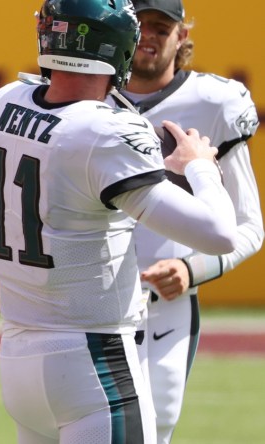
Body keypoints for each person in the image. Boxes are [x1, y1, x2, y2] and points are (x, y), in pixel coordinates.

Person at [0, 0, 239, 442]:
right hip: (91, 361)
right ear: (115, 45)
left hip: (18, 352)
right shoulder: (106, 133)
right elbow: (219, 234)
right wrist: (200, 166)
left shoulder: (5, 101)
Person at [107, 0, 263, 442]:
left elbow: (249, 226)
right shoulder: (86, 97)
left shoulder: (214, 103)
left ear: (183, 36)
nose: (149, 36)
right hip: (89, 301)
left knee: (151, 434)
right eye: (140, 25)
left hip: (164, 306)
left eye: (162, 26)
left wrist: (189, 269)